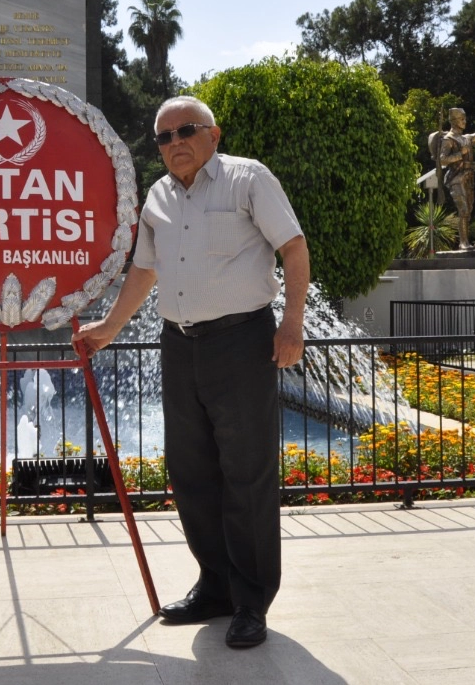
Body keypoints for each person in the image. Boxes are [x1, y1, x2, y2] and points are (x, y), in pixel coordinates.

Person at [76, 95, 309, 650]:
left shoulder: (247, 179)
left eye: (186, 130)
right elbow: (144, 271)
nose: (175, 142)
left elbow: (294, 247)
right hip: (179, 344)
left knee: (246, 473)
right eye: (164, 136)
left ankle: (251, 600)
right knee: (191, 472)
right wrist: (109, 327)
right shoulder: (157, 196)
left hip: (242, 340)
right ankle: (215, 586)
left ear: (213, 134)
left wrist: (292, 323)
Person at [428, 107, 475, 249]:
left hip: (468, 178)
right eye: (461, 119)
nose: (465, 121)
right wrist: (460, 154)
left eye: (465, 118)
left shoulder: (466, 138)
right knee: (463, 210)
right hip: (456, 179)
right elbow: (443, 160)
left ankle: (466, 241)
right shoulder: (448, 139)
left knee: (468, 211)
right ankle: (463, 243)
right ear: (453, 121)